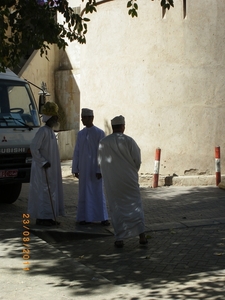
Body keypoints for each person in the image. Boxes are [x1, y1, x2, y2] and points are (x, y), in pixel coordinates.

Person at [98, 115, 147, 247]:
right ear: (123, 127)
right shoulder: (129, 141)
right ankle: (142, 236)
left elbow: (101, 162)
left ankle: (119, 238)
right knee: (135, 205)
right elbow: (137, 160)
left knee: (116, 207)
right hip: (129, 179)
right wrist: (131, 171)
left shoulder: (104, 142)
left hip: (112, 181)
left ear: (113, 127)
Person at [28, 102, 64, 226]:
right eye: (55, 117)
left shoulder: (50, 131)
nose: (57, 119)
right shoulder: (42, 131)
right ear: (50, 118)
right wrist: (43, 162)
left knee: (50, 192)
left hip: (51, 169)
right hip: (42, 169)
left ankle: (49, 217)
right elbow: (33, 148)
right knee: (44, 192)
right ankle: (42, 218)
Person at [72, 108, 109, 225]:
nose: (82, 120)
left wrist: (100, 169)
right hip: (83, 168)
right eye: (82, 118)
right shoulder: (81, 134)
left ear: (91, 118)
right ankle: (84, 217)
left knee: (97, 192)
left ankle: (103, 218)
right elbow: (77, 151)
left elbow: (102, 152)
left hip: (94, 169)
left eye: (84, 118)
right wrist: (75, 168)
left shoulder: (99, 133)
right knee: (84, 193)